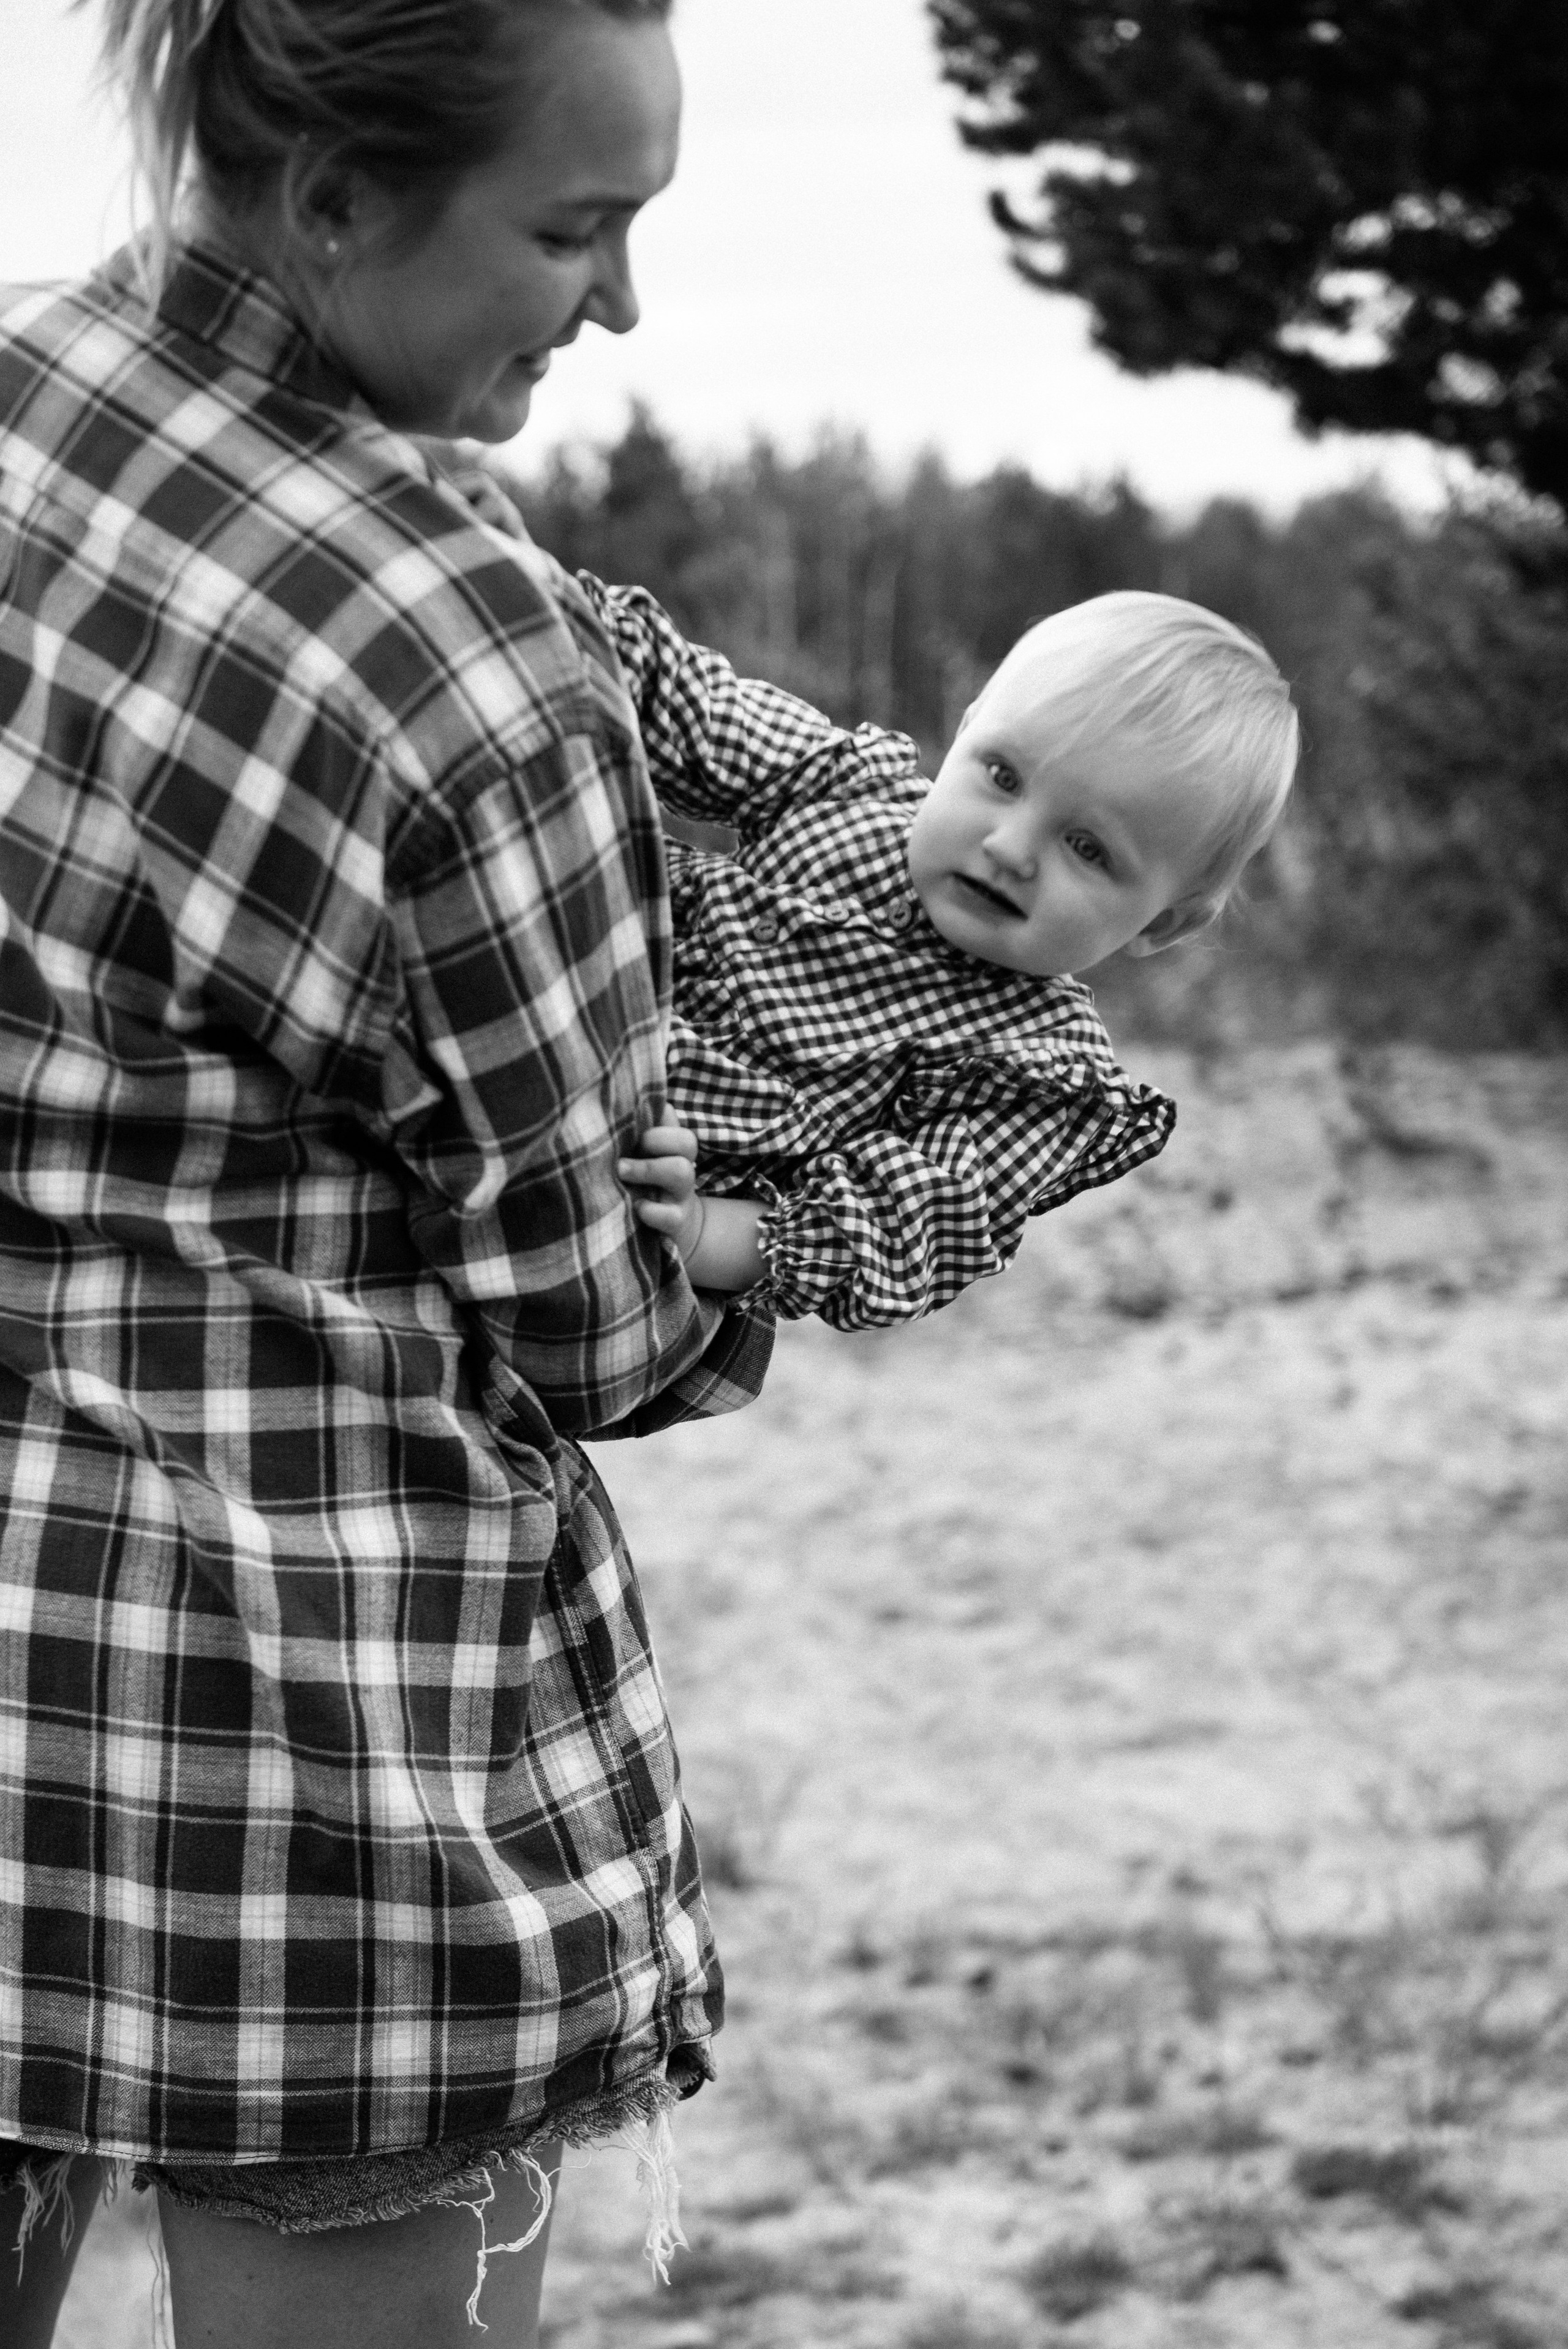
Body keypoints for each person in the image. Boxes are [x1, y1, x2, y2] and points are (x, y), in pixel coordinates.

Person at [0, 4, 772, 2344]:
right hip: (310, 1746)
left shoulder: (26, 392)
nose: (617, 303)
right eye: (573, 229)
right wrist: (787, 1225)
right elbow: (590, 1311)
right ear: (336, 195)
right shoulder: (460, 659)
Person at [590, 584, 1298, 1322]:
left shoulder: (1032, 1072)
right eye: (1003, 777)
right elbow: (692, 708)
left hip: (632, 1190)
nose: (1010, 847)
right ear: (965, 732)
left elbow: (888, 1229)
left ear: (1163, 924)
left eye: (1087, 848)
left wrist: (700, 1228)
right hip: (579, 973)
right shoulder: (845, 788)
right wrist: (551, 607)